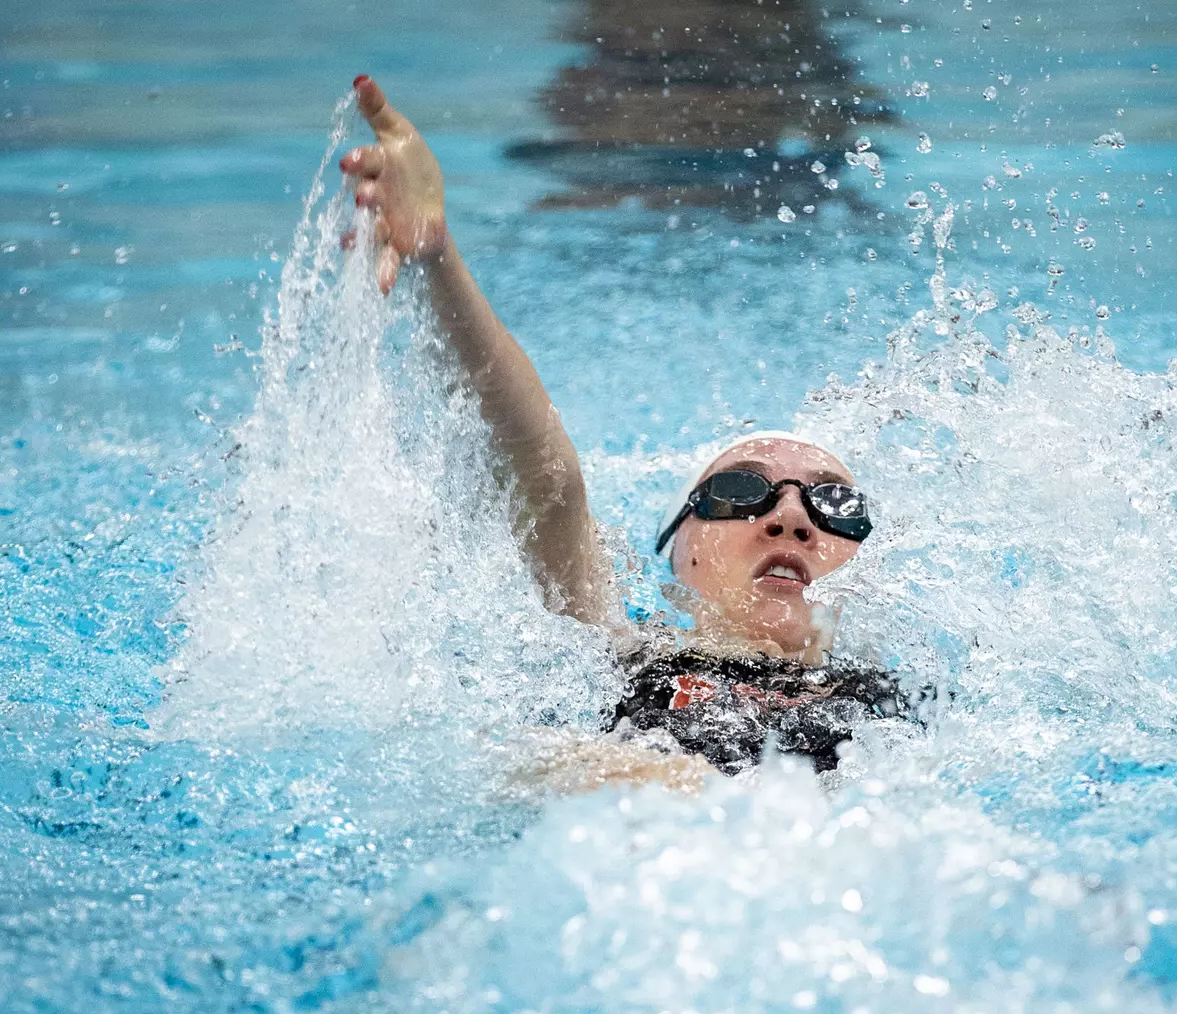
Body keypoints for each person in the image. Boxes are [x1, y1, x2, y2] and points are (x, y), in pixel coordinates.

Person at [339, 76, 911, 790]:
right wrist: (438, 255)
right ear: (677, 563)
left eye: (835, 506)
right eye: (739, 493)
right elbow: (546, 480)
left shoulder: (912, 713)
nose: (792, 517)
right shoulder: (621, 657)